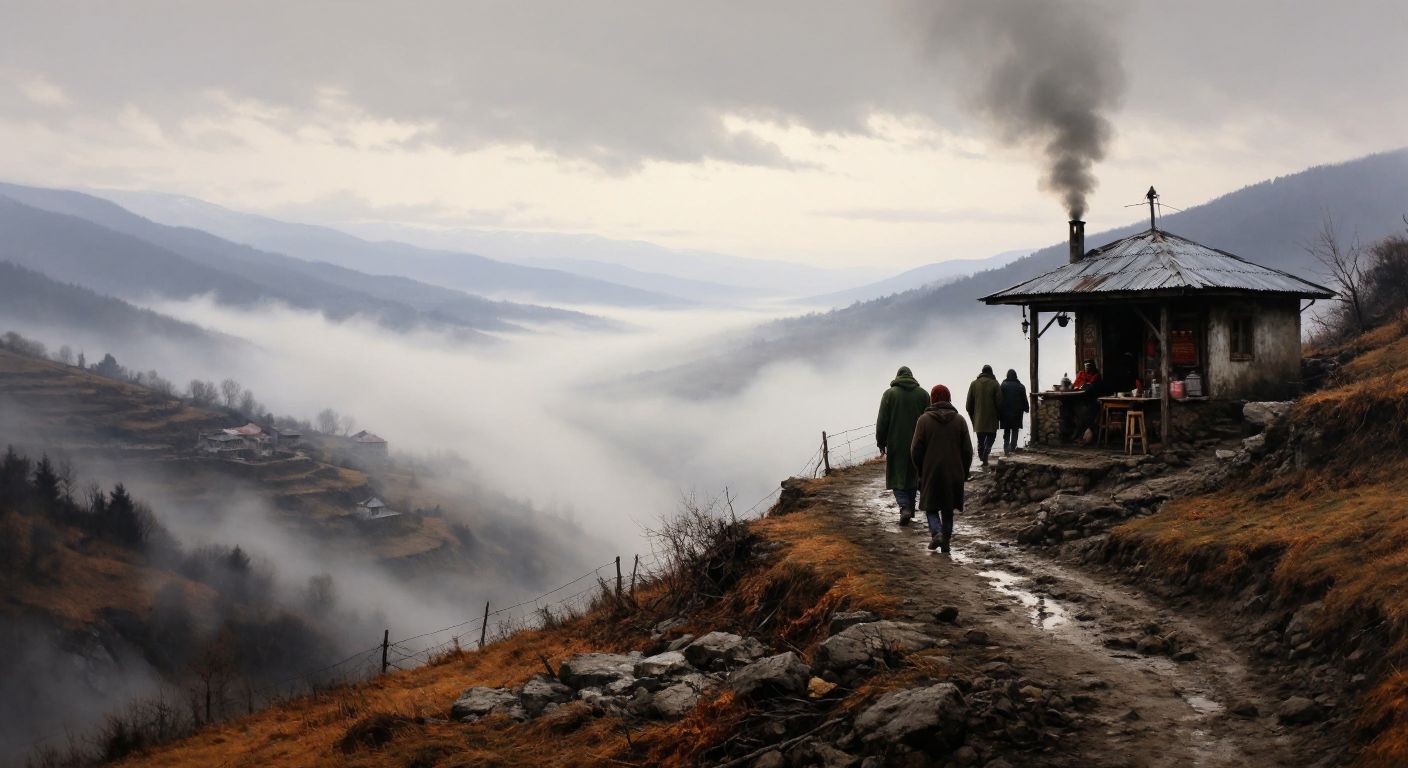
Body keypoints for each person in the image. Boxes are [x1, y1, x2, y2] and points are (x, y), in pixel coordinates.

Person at [911, 384, 974, 553]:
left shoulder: (923, 420)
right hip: (954, 472)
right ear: (949, 398)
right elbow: (968, 450)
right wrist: (964, 471)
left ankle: (937, 533)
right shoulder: (959, 420)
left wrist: (921, 468)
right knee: (947, 509)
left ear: (932, 398)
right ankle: (945, 541)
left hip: (931, 471)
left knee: (930, 507)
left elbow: (915, 450)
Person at [876, 365, 929, 525]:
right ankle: (910, 510)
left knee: (897, 477)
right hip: (918, 443)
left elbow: (882, 421)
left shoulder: (889, 394)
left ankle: (905, 507)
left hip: (896, 442)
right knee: (913, 476)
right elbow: (930, 419)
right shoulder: (923, 394)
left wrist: (881, 442)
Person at [965, 364, 1002, 467]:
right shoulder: (995, 384)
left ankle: (982, 458)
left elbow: (968, 406)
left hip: (978, 420)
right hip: (992, 419)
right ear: (991, 372)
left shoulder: (973, 384)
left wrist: (974, 417)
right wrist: (999, 416)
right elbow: (1000, 403)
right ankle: (985, 454)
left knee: (980, 441)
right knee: (991, 436)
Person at [1070, 359, 1104, 443]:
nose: (1087, 368)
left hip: (1092, 401)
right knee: (1077, 413)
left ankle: (1084, 437)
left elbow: (1091, 388)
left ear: (1092, 366)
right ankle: (1079, 437)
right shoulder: (1081, 374)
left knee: (1087, 415)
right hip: (1081, 400)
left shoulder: (1096, 376)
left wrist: (1084, 385)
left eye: (1089, 366)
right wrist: (1083, 385)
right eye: (1085, 366)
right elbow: (1076, 385)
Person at [999, 369, 1029, 453]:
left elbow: (1000, 399)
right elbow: (1024, 399)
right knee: (1015, 430)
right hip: (1017, 413)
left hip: (1005, 413)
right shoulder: (1021, 386)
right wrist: (1027, 408)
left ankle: (1006, 448)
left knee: (1007, 430)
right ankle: (1012, 447)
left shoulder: (1003, 385)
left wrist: (999, 411)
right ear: (1016, 376)